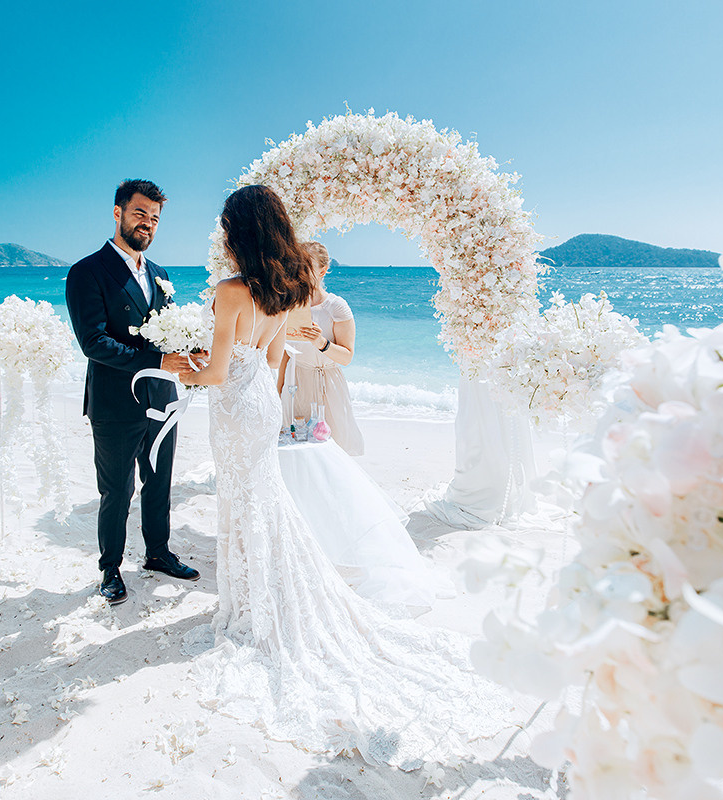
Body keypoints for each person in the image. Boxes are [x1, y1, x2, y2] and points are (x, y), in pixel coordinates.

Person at [175, 185, 516, 769]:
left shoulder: (230, 290)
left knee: (243, 502)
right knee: (264, 500)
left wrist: (178, 366)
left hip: (235, 405)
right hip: (262, 402)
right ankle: (266, 594)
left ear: (238, 231)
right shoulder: (288, 290)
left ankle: (254, 602)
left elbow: (216, 371)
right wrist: (257, 397)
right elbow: (277, 361)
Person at [64, 179, 201, 606]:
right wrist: (157, 362)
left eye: (155, 218)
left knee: (160, 481)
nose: (147, 224)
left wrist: (188, 349)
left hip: (161, 397)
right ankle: (110, 568)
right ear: (118, 212)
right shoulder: (87, 271)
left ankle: (158, 553)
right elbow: (94, 342)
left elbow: (165, 332)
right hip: (115, 400)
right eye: (140, 213)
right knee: (117, 490)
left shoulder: (159, 274)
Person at [277, 241, 365, 455]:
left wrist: (321, 343)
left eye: (306, 266)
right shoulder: (288, 305)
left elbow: (347, 357)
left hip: (329, 384)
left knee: (334, 449)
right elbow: (284, 355)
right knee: (297, 445)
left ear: (323, 270)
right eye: (296, 265)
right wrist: (277, 392)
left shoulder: (336, 306)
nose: (300, 271)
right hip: (296, 381)